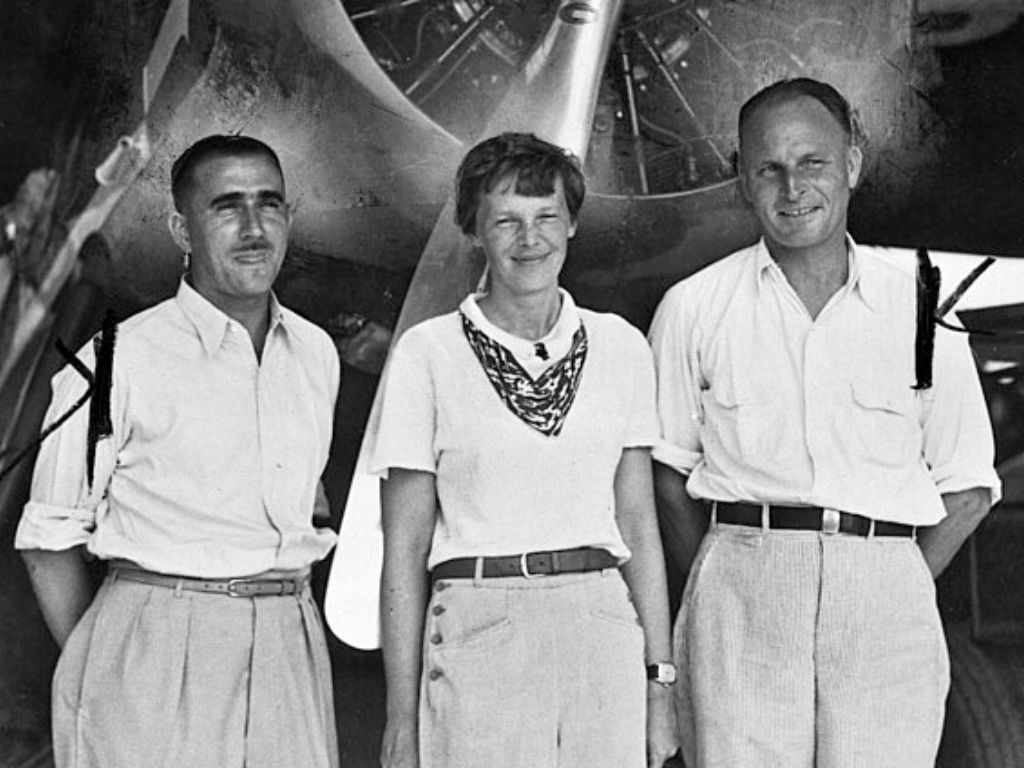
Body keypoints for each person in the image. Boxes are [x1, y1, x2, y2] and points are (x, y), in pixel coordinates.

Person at [648, 77, 1001, 767]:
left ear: (854, 164)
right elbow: (666, 473)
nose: (792, 188)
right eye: (768, 169)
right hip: (741, 593)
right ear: (742, 181)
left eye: (812, 162)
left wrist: (892, 581)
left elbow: (966, 488)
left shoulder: (920, 312)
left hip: (884, 597)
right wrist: (730, 577)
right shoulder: (693, 308)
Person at [15, 134, 341, 767]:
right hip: (156, 645)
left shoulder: (314, 353)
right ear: (181, 229)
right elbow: (48, 540)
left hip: (288, 643)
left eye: (269, 203)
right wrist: (110, 656)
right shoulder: (114, 361)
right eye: (226, 206)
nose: (253, 226)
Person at [375, 132, 678, 768]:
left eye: (546, 217)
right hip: (479, 624)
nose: (529, 238)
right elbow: (403, 550)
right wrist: (401, 717)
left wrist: (659, 687)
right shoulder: (428, 354)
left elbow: (639, 526)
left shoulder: (620, 346)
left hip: (601, 622)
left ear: (571, 223)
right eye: (505, 221)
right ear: (474, 232)